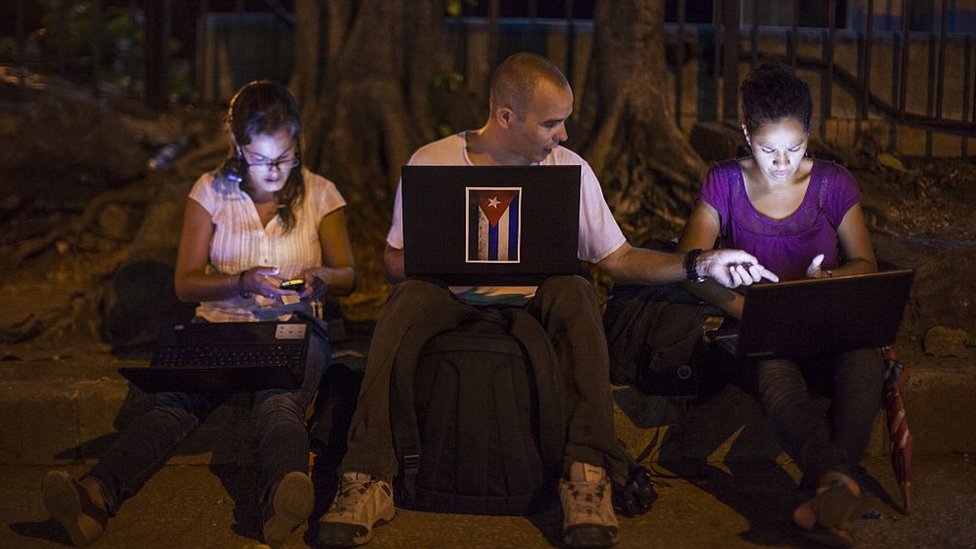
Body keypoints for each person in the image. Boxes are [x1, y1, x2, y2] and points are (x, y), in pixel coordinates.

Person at [314, 52, 775, 549]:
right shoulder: (433, 161)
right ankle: (365, 478)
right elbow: (390, 263)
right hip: (448, 293)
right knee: (404, 303)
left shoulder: (568, 170)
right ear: (506, 116)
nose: (564, 135)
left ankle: (587, 477)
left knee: (575, 290)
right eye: (552, 123)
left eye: (565, 122)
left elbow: (617, 259)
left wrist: (699, 263)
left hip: (535, 298)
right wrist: (443, 253)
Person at [42, 80, 356, 549]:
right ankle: (93, 499)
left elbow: (349, 273)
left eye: (286, 156)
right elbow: (185, 281)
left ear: (298, 142)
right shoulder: (210, 189)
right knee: (172, 404)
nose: (275, 171)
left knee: (280, 400)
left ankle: (284, 497)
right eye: (261, 159)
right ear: (236, 146)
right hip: (218, 327)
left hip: (293, 326)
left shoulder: (320, 193)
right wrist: (240, 281)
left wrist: (322, 278)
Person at [676, 63, 882, 546]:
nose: (783, 162)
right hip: (755, 323)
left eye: (796, 148)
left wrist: (827, 280)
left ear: (810, 135)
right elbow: (690, 266)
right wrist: (749, 310)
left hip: (827, 320)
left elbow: (865, 263)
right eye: (769, 150)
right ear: (746, 133)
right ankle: (834, 486)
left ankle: (827, 488)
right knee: (775, 372)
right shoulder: (723, 182)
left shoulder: (833, 184)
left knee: (865, 362)